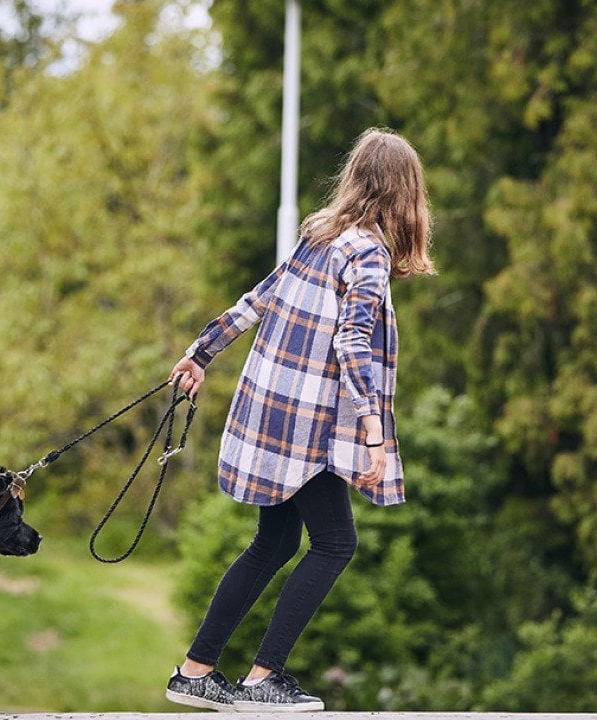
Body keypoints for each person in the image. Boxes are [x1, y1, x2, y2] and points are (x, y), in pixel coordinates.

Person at [163, 128, 435, 713]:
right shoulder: (367, 252)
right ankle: (263, 679)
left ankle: (195, 672)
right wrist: (375, 434)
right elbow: (353, 343)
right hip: (311, 423)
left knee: (277, 540)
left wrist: (202, 352)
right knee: (335, 543)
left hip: (272, 410)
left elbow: (258, 298)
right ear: (404, 192)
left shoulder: (321, 234)